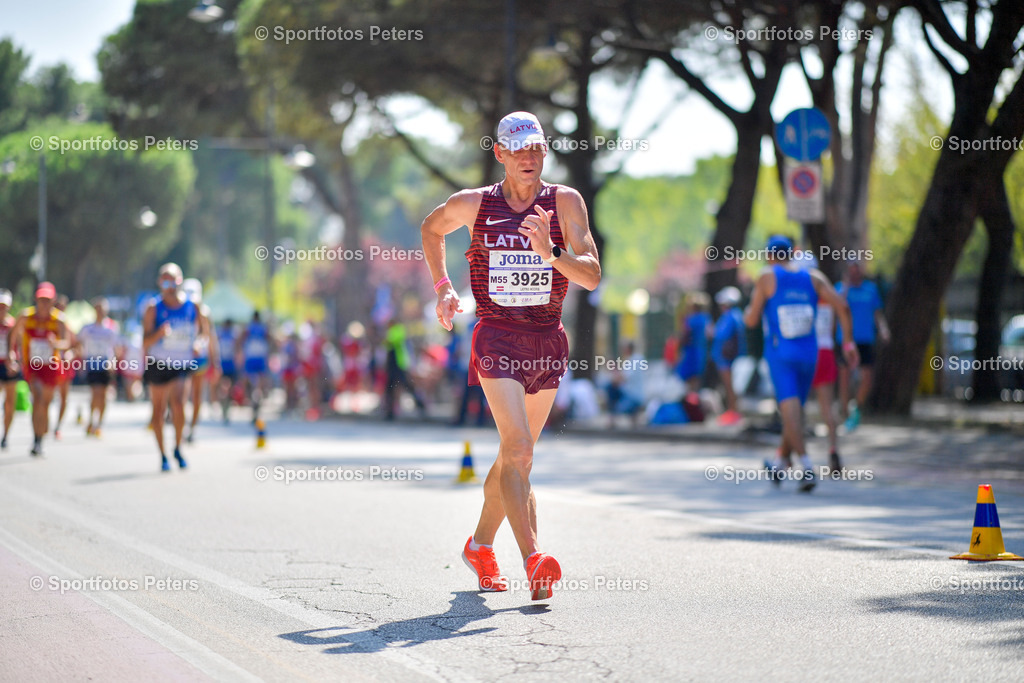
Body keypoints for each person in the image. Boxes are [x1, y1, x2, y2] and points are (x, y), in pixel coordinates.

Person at [421, 111, 601, 600]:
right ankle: (534, 558)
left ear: (545, 151)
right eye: (517, 149)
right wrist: (442, 288)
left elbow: (590, 275)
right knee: (519, 449)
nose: (528, 157)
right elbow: (431, 229)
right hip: (497, 337)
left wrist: (551, 254)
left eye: (535, 148)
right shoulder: (473, 205)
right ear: (499, 153)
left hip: (546, 340)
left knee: (514, 457)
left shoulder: (564, 202)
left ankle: (480, 545)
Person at [743, 236, 857, 492]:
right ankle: (779, 463)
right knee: (794, 411)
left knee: (790, 412)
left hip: (780, 356)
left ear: (770, 256)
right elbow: (843, 306)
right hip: (810, 355)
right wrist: (848, 343)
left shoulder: (767, 276)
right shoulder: (814, 278)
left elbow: (751, 320)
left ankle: (806, 467)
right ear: (791, 254)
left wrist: (747, 314)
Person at [143, 263, 205, 471]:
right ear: (160, 283)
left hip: (181, 363)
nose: (170, 285)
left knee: (179, 404)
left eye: (174, 280)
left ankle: (178, 446)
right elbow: (144, 341)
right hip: (158, 363)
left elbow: (203, 333)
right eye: (165, 281)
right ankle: (163, 455)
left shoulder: (192, 306)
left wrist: (198, 344)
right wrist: (158, 334)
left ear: (181, 281)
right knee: (158, 412)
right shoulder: (153, 308)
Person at [8, 282, 70, 457]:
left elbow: (66, 343)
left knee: (45, 403)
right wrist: (12, 354)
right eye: (41, 299)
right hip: (33, 366)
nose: (44, 303)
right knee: (37, 399)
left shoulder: (59, 320)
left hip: (51, 367)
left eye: (47, 300)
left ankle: (40, 437)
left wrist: (55, 344)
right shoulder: (26, 316)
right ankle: (36, 439)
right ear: (36, 299)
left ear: (53, 300)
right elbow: (12, 335)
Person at [837, 260, 890, 431]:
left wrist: (883, 330)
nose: (854, 274)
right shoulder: (840, 288)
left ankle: (855, 407)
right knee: (844, 376)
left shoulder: (871, 289)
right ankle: (844, 414)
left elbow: (877, 313)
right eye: (850, 271)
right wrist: (845, 286)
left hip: (865, 339)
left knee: (867, 376)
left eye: (856, 271)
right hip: (846, 339)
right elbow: (837, 307)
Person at [75, 297, 123, 437]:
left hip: (105, 364)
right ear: (94, 310)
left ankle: (99, 423)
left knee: (103, 395)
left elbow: (117, 348)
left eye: (103, 310)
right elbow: (78, 343)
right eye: (98, 309)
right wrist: (81, 356)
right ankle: (91, 420)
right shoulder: (87, 328)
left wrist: (113, 362)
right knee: (95, 392)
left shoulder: (111, 328)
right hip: (92, 363)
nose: (101, 312)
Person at [182, 279, 219, 442]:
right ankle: (183, 425)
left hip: (198, 358)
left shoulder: (204, 312)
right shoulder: (181, 309)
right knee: (182, 393)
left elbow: (209, 337)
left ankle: (192, 427)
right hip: (182, 358)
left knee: (196, 394)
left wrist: (215, 362)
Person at [811, 296, 842, 472]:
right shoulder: (831, 299)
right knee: (828, 408)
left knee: (793, 404)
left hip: (809, 352)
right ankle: (834, 449)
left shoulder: (806, 296)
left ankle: (790, 456)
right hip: (827, 351)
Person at [711, 287, 746, 425]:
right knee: (730, 386)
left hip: (727, 359)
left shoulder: (730, 316)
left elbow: (721, 334)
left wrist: (712, 331)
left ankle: (733, 412)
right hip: (728, 358)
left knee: (730, 386)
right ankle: (732, 411)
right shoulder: (736, 315)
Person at [381, 315, 427, 420]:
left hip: (399, 364)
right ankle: (389, 411)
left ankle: (420, 404)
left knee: (407, 386)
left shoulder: (398, 330)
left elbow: (388, 342)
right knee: (390, 388)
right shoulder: (393, 331)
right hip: (392, 365)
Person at [237, 311, 271, 423]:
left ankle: (252, 398)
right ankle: (258, 398)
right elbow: (270, 340)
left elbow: (239, 340)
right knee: (260, 383)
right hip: (260, 358)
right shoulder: (263, 328)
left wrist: (239, 351)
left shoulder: (249, 328)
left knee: (247, 381)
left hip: (251, 358)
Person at [0, 289, 22, 449]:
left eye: (4, 306)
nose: (2, 309)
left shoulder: (14, 325)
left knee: (9, 403)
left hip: (9, 366)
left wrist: (16, 363)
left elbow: (20, 347)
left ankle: (6, 435)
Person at [676, 293, 711, 393]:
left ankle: (690, 400)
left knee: (689, 378)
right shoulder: (706, 318)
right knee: (697, 378)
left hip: (691, 351)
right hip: (701, 350)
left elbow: (685, 335)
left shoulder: (691, 320)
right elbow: (709, 334)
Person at [52, 294, 74, 439]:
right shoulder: (50, 323)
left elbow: (76, 346)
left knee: (64, 397)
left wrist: (71, 353)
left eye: (63, 308)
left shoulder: (68, 326)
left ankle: (58, 426)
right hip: (50, 363)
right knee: (46, 395)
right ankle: (43, 423)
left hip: (65, 365)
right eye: (58, 307)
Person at [216, 319, 239, 423]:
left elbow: (237, 349)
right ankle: (223, 408)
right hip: (222, 365)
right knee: (223, 388)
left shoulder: (233, 335)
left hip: (230, 366)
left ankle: (226, 409)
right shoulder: (220, 334)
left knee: (229, 390)